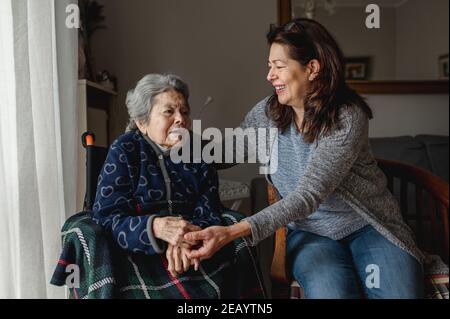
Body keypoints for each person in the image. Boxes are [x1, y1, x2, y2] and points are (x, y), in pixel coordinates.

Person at [185, 18, 425, 299]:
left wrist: (230, 232)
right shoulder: (268, 115)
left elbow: (308, 195)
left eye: (279, 66)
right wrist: (175, 138)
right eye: (269, 66)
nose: (269, 76)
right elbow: (221, 154)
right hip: (311, 234)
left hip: (368, 226)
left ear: (311, 68)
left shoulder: (346, 117)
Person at [92, 74, 265, 299]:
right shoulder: (125, 149)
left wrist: (186, 240)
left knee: (234, 230)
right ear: (142, 122)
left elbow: (209, 208)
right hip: (138, 251)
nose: (180, 119)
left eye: (184, 112)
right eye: (169, 111)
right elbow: (107, 216)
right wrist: (154, 227)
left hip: (192, 250)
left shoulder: (198, 151)